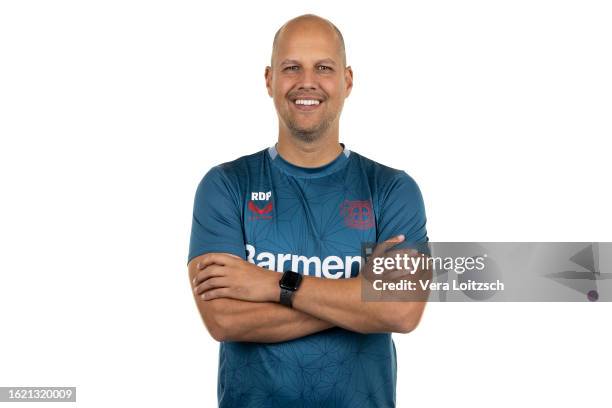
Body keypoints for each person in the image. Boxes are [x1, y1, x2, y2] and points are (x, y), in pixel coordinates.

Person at [188, 13, 429, 408]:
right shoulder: (226, 185)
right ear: (268, 79)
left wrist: (271, 285)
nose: (307, 82)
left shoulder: (392, 189)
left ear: (347, 80)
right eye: (291, 67)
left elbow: (402, 311)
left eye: (323, 67)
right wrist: (364, 298)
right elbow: (223, 320)